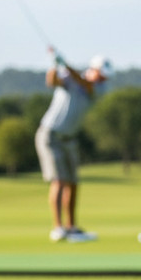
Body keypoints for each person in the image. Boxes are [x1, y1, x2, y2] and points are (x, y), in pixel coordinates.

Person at [34, 50, 110, 242]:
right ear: (92, 69)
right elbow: (51, 82)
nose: (102, 78)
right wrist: (55, 65)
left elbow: (84, 83)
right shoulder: (70, 79)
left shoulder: (98, 88)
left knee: (73, 182)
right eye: (100, 73)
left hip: (70, 138)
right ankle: (57, 228)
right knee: (59, 180)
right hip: (50, 135)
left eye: (104, 76)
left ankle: (72, 227)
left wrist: (65, 64)